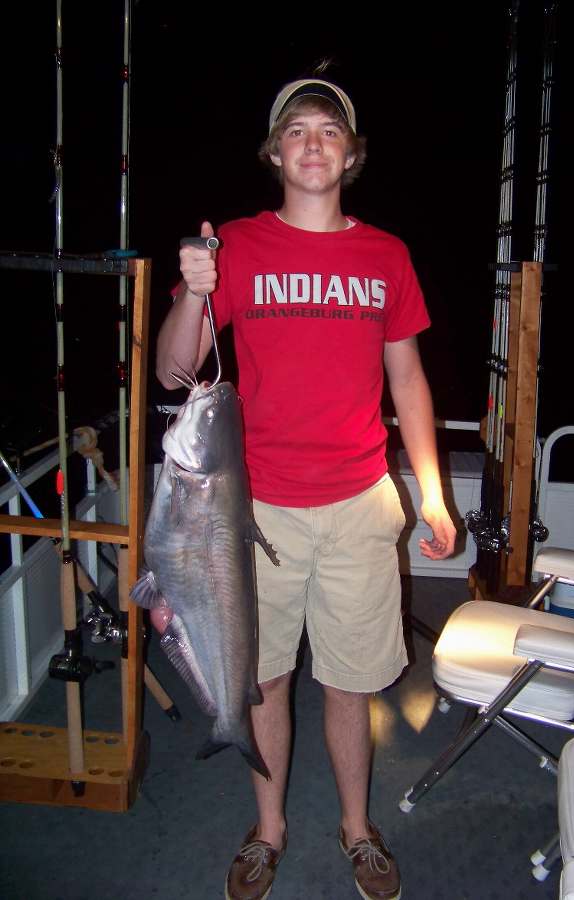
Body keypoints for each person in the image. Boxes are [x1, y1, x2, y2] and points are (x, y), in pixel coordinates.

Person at [156, 76, 456, 900]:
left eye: (330, 130)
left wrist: (432, 493)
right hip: (252, 512)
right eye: (297, 130)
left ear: (351, 154)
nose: (314, 142)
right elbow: (176, 370)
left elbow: (408, 381)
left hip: (361, 501)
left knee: (350, 682)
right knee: (265, 679)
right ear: (275, 152)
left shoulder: (385, 254)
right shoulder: (237, 249)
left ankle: (357, 829)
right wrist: (194, 287)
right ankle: (269, 828)